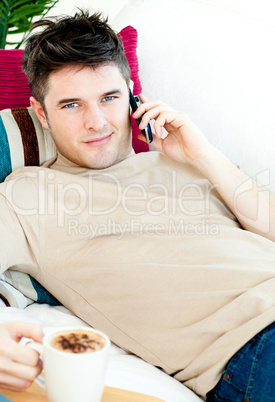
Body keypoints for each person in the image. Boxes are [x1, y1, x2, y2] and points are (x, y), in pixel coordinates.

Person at [0, 10, 274, 401]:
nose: (97, 122)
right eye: (72, 105)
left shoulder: (185, 159)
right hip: (253, 344)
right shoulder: (25, 195)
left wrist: (205, 156)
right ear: (41, 113)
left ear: (131, 95)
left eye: (109, 98)